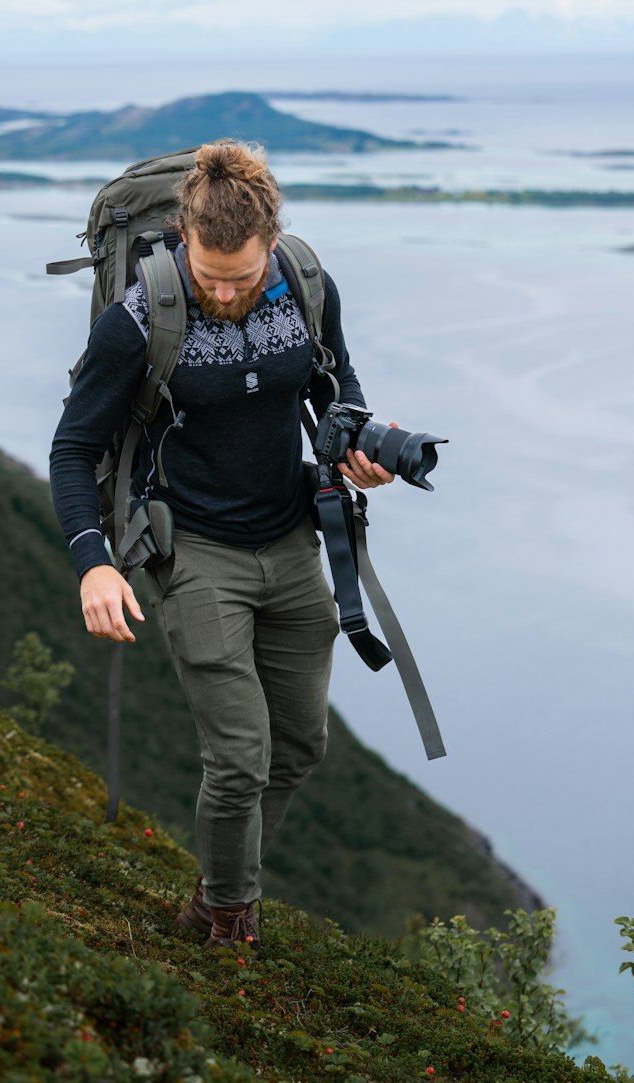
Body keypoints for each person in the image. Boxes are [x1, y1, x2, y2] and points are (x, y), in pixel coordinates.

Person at [49, 139, 394, 954]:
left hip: (292, 541)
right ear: (184, 234)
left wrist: (359, 445)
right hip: (195, 551)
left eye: (241, 276)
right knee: (241, 756)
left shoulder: (307, 284)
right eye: (210, 273)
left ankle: (213, 885)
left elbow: (335, 384)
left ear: (271, 242)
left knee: (301, 742)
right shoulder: (142, 313)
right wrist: (92, 560)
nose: (225, 290)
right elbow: (72, 446)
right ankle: (229, 924)